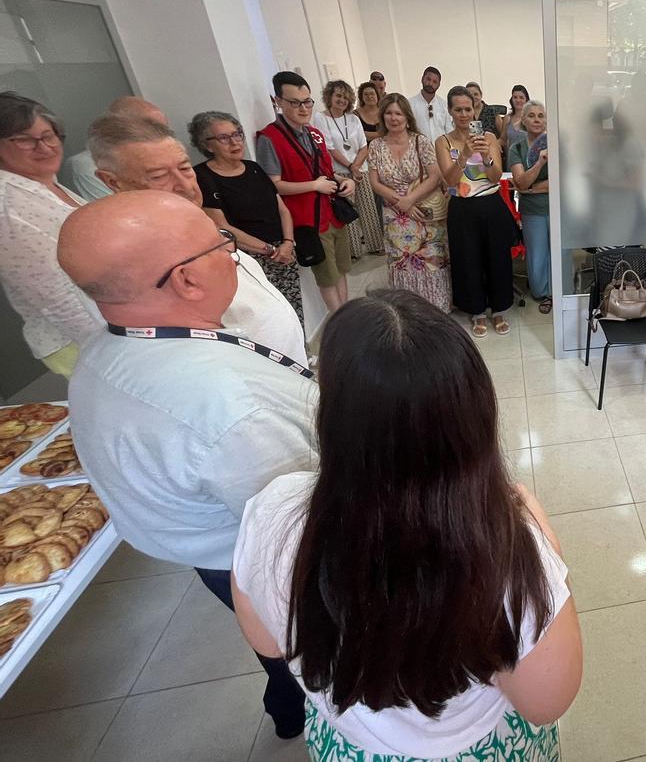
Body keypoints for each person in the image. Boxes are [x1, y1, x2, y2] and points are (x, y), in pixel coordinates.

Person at [231, 289, 582, 760]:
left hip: (348, 744)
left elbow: (267, 643)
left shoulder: (272, 509)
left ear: (333, 413)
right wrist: (548, 544)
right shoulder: (508, 549)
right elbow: (546, 702)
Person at [59, 190, 312, 740]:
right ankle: (309, 711)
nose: (232, 252)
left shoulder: (111, 346)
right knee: (306, 654)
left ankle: (287, 704)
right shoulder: (230, 407)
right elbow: (300, 528)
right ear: (186, 281)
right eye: (219, 244)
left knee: (277, 656)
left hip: (213, 551)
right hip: (263, 565)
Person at [90, 114, 307, 361]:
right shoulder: (140, 264)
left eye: (184, 168)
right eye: (160, 176)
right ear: (113, 181)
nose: (185, 185)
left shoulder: (205, 230)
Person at [0, 91, 102, 375]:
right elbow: (53, 295)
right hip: (83, 339)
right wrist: (117, 346)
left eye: (49, 136)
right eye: (24, 139)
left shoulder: (43, 182)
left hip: (111, 323)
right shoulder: (8, 203)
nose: (44, 147)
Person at [188, 111, 304, 328]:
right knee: (265, 318)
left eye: (237, 134)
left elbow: (282, 210)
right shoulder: (202, 177)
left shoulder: (253, 168)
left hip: (284, 252)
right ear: (207, 145)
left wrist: (288, 243)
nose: (234, 142)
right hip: (248, 260)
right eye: (224, 138)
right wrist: (269, 250)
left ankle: (301, 353)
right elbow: (221, 227)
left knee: (292, 309)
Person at [257, 71, 356, 314]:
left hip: (333, 213)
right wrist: (313, 186)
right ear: (277, 101)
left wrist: (346, 181)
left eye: (307, 102)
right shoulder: (269, 138)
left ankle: (347, 314)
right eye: (295, 102)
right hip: (308, 220)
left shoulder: (315, 133)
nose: (303, 108)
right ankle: (339, 321)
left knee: (342, 269)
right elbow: (273, 185)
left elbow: (327, 172)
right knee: (327, 276)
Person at [436, 85, 513, 338]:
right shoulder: (443, 142)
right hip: (462, 208)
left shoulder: (489, 138)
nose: (463, 114)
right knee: (468, 260)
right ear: (450, 111)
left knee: (497, 258)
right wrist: (465, 154)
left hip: (491, 205)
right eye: (458, 109)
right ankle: (477, 311)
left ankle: (499, 308)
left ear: (475, 109)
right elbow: (449, 180)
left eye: (467, 109)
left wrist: (485, 156)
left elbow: (494, 177)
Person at [367, 93, 451, 312]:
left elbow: (434, 176)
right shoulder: (376, 145)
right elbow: (375, 182)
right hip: (394, 213)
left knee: (431, 261)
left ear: (407, 116)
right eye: (389, 113)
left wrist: (410, 200)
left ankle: (436, 307)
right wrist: (401, 203)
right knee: (401, 262)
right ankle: (407, 311)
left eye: (398, 113)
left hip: (423, 208)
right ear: (382, 116)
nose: (393, 118)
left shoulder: (420, 141)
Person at [314, 80, 384, 259]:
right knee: (347, 212)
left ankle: (375, 245)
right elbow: (329, 147)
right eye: (338, 95)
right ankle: (353, 251)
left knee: (369, 208)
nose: (342, 100)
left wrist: (357, 167)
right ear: (329, 96)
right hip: (340, 172)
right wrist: (350, 167)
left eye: (345, 97)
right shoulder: (320, 118)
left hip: (361, 169)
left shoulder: (353, 118)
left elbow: (363, 145)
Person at [58, 95, 168, 202]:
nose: (162, 137)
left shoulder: (164, 157)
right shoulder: (85, 166)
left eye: (164, 130)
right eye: (152, 130)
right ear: (119, 127)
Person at [509, 101, 551, 313]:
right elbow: (520, 182)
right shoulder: (516, 148)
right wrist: (540, 163)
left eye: (541, 115)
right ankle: (542, 293)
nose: (537, 120)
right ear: (523, 120)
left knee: (559, 253)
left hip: (557, 208)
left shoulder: (558, 145)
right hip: (532, 211)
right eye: (532, 115)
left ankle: (558, 291)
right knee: (537, 254)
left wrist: (533, 189)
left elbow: (561, 182)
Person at [410, 65, 453, 142]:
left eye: (435, 82)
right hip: (419, 151)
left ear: (439, 85)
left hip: (441, 151)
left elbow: (449, 131)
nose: (430, 84)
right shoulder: (410, 104)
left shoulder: (444, 105)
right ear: (422, 79)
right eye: (428, 79)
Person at [500, 84, 529, 156]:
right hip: (512, 160)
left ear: (526, 100)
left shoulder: (531, 118)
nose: (518, 100)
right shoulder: (507, 118)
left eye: (521, 97)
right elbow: (503, 139)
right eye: (515, 97)